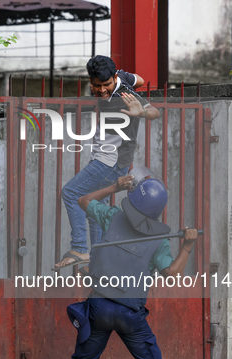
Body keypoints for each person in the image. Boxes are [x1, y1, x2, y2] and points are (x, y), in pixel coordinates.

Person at [57, 175, 198, 359]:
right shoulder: (160, 240)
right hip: (130, 313)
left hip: (98, 308)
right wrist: (187, 245)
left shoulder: (112, 216)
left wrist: (115, 186)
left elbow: (83, 200)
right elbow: (171, 274)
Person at [56, 55, 160, 269]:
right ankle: (98, 261)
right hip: (110, 159)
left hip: (109, 162)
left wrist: (141, 111)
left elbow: (154, 112)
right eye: (96, 86)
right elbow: (139, 79)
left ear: (114, 77)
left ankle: (80, 248)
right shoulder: (123, 76)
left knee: (71, 192)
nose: (102, 90)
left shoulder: (124, 95)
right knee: (96, 208)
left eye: (106, 85)